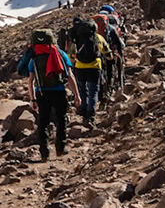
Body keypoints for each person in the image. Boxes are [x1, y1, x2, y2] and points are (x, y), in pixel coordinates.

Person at [16, 29, 80, 160]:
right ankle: (60, 148)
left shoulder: (34, 57)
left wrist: (33, 99)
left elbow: (30, 81)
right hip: (59, 91)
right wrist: (77, 95)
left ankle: (44, 152)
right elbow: (70, 76)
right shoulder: (60, 53)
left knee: (43, 122)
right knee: (61, 120)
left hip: (41, 92)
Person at [66, 16, 107, 130]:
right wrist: (110, 56)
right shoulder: (98, 38)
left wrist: (73, 61)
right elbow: (106, 51)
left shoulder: (77, 40)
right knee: (93, 91)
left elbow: (71, 56)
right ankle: (91, 114)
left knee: (82, 89)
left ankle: (83, 108)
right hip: (94, 67)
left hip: (80, 67)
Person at [96, 6, 126, 96]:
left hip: (98, 55)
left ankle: (101, 91)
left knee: (101, 72)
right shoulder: (111, 28)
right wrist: (121, 54)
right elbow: (119, 43)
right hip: (110, 53)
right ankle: (112, 87)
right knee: (110, 70)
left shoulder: (94, 29)